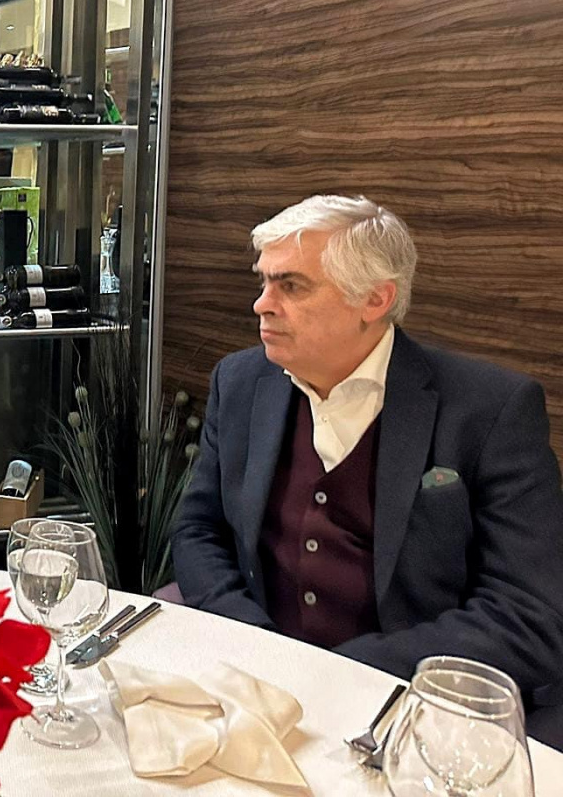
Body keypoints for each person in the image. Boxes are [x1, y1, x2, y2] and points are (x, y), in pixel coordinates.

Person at [172, 195, 563, 738]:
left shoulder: (489, 410)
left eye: (291, 286)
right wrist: (255, 641)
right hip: (259, 685)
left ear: (375, 299)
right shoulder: (239, 383)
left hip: (412, 708)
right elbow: (198, 530)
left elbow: (526, 615)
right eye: (263, 282)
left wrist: (347, 672)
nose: (262, 304)